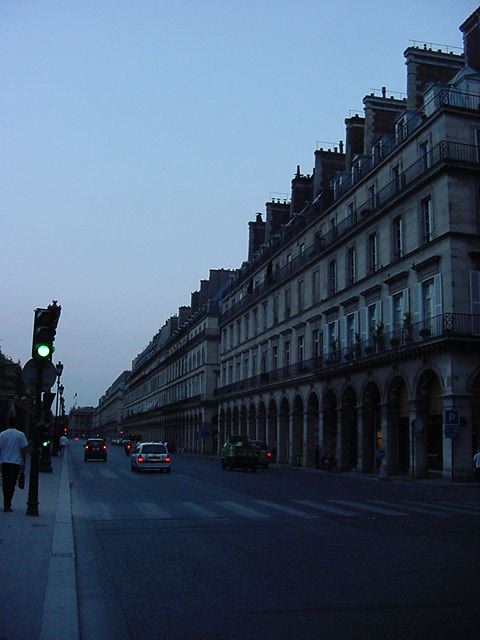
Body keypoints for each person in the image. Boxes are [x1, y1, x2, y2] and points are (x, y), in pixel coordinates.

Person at [0, 412, 28, 512]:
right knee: (12, 484)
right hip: (15, 463)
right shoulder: (21, 435)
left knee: (5, 483)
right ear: (16, 424)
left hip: (4, 461)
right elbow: (24, 450)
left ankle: (5, 502)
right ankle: (8, 503)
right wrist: (23, 463)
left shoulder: (2, 434)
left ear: (8, 423)